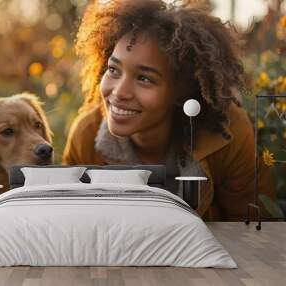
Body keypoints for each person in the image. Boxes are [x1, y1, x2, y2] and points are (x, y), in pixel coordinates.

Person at [62, 0, 275, 220]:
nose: (119, 92)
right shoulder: (86, 137)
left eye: (144, 78)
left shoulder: (229, 135)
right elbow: (71, 226)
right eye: (114, 70)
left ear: (181, 91)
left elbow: (254, 231)